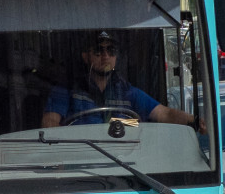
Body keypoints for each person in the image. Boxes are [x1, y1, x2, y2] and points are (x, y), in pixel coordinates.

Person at [42, 32, 196, 128]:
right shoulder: (67, 91)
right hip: (81, 165)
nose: (105, 56)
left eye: (111, 50)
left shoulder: (128, 92)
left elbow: (165, 114)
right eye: (98, 50)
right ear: (85, 56)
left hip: (122, 164)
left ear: (116, 57)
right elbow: (50, 124)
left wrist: (194, 120)